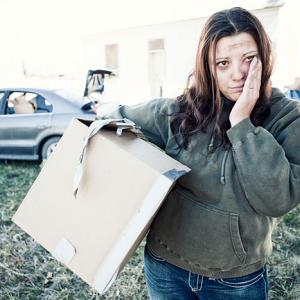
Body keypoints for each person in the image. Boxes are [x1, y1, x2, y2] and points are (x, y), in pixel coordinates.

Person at [96, 7, 300, 300]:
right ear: (208, 66)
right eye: (222, 63)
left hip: (234, 279)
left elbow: (277, 199)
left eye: (249, 59)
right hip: (166, 266)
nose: (238, 74)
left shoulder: (287, 118)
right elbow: (117, 117)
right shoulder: (183, 109)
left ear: (264, 57)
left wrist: (241, 122)